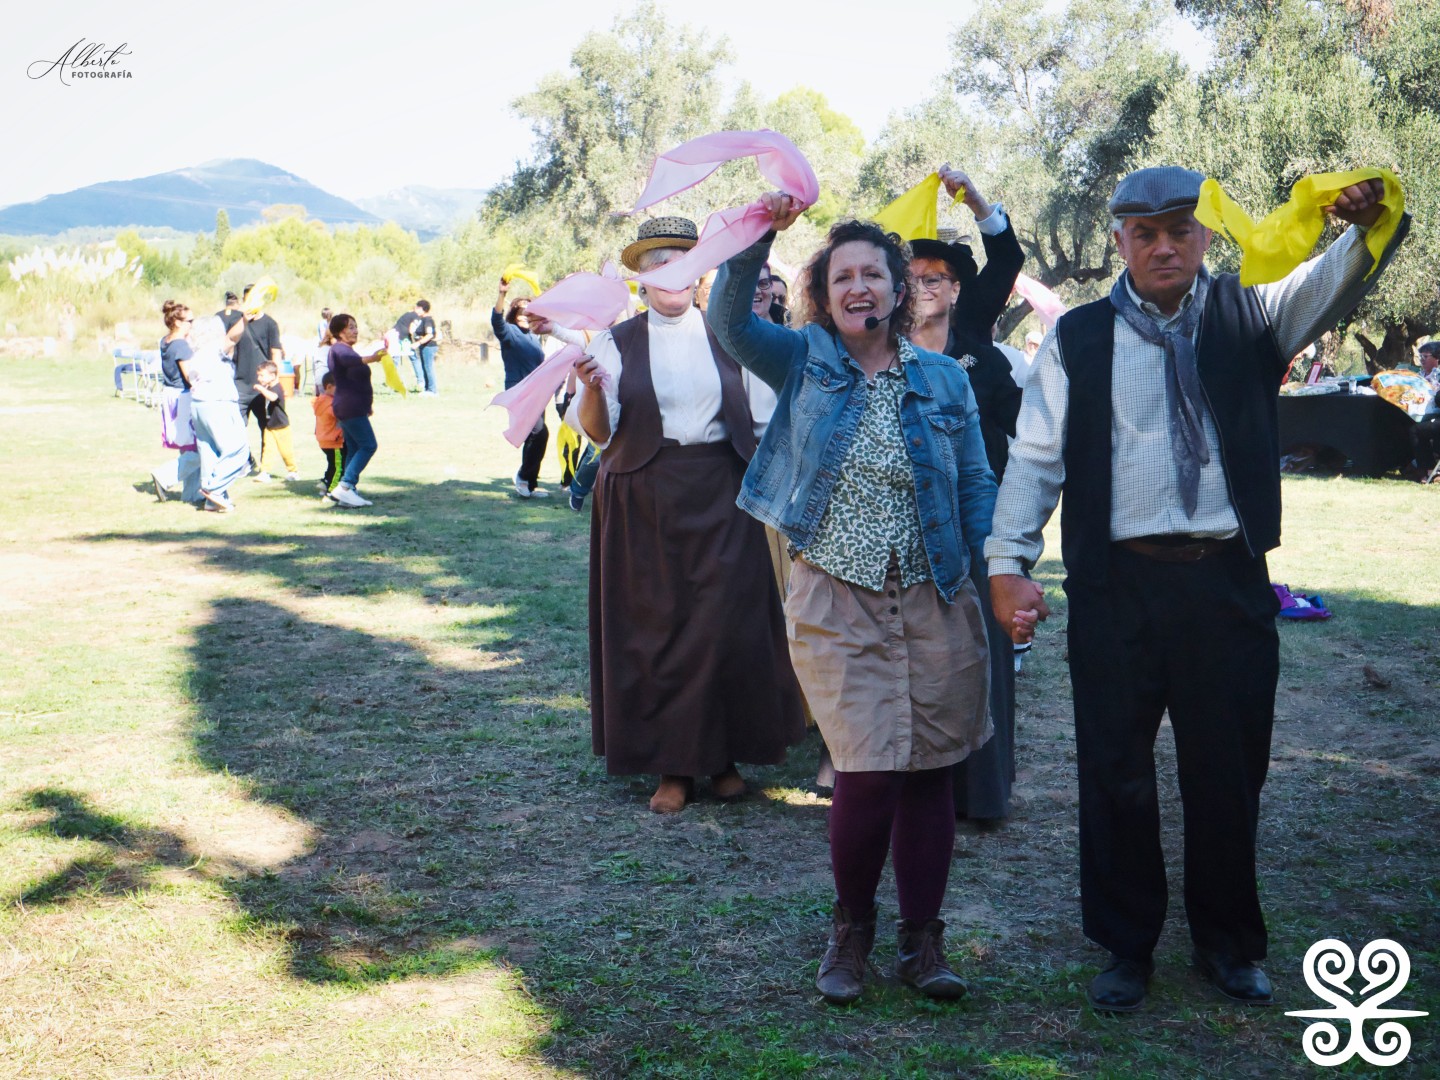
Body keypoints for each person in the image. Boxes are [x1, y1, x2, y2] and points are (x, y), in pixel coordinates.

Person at [986, 167, 1408, 1013]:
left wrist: (1366, 223)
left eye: (1180, 229)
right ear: (1119, 241)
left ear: (1206, 235)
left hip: (1225, 585)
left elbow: (1336, 275)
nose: (1164, 246)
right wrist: (1007, 562)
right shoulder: (1078, 338)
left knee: (1228, 771)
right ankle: (1126, 944)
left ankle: (1228, 942)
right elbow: (1035, 458)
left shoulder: (1253, 315)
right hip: (1116, 588)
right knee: (1115, 768)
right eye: (1144, 232)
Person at [710, 200, 998, 1005]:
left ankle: (922, 941)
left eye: (874, 273)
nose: (859, 286)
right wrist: (758, 233)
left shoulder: (943, 378)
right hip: (836, 596)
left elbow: (976, 481)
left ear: (898, 290)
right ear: (823, 292)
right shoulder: (803, 359)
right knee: (867, 771)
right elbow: (729, 323)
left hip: (935, 592)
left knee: (931, 772)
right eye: (843, 276)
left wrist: (1004, 569)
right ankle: (853, 930)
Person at [568, 215, 806, 816]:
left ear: (701, 274)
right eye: (658, 264)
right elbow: (598, 432)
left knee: (724, 624)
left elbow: (764, 422)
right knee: (658, 629)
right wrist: (591, 388)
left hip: (722, 492)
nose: (670, 273)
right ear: (641, 279)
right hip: (641, 497)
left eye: (682, 261)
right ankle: (673, 766)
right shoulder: (613, 343)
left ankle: (722, 758)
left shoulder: (733, 336)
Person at [907, 166, 1024, 826]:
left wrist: (977, 201)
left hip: (977, 526)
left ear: (957, 289)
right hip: (903, 527)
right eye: (913, 277)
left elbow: (1005, 257)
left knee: (981, 654)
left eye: (937, 278)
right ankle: (913, 791)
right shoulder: (876, 352)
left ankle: (981, 794)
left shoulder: (981, 351)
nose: (924, 287)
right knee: (913, 659)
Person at [493, 280, 552, 497]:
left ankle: (529, 483)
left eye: (529, 313)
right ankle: (524, 477)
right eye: (521, 313)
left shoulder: (534, 337)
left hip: (537, 392)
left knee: (536, 436)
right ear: (514, 315)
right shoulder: (509, 332)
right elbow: (496, 321)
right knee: (538, 431)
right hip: (519, 391)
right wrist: (501, 295)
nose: (526, 317)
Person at [186, 315, 250, 513]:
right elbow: (232, 338)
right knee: (239, 450)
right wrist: (245, 318)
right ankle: (214, 489)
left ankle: (213, 501)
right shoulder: (213, 349)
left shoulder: (195, 355)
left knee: (209, 452)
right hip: (218, 403)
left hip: (199, 405)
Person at [327, 313, 387, 509]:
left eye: (356, 326)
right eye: (350, 327)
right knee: (369, 445)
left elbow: (357, 378)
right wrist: (372, 358)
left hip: (354, 407)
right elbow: (348, 361)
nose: (355, 330)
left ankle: (348, 492)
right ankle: (345, 486)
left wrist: (367, 406)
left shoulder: (349, 351)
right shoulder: (339, 349)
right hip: (348, 407)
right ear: (339, 332)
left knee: (353, 448)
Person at [152, 300, 200, 505]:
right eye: (190, 321)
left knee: (188, 447)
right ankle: (165, 476)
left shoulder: (166, 341)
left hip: (172, 395)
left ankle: (192, 493)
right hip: (184, 397)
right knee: (201, 448)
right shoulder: (181, 345)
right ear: (178, 322)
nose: (192, 325)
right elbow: (189, 376)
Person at [233, 284, 283, 470]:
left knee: (267, 427)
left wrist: (275, 379)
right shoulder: (237, 323)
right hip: (239, 384)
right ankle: (244, 461)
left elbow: (275, 351)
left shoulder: (270, 324)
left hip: (263, 385)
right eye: (247, 299)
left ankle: (265, 467)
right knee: (236, 428)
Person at [253, 361, 301, 482]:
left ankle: (293, 471)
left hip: (281, 426)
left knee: (286, 451)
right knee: (267, 450)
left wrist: (261, 389)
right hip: (270, 426)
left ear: (272, 376)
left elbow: (273, 397)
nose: (259, 378)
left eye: (262, 375)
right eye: (258, 375)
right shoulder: (269, 388)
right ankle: (264, 472)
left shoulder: (277, 387)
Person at [313, 371, 345, 499]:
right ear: (329, 387)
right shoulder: (331, 404)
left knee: (333, 464)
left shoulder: (321, 401)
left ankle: (325, 482)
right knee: (339, 468)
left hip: (324, 439)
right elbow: (341, 415)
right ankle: (332, 491)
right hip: (334, 441)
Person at [412, 300, 439, 395]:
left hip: (429, 346)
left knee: (428, 367)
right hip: (424, 346)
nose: (415, 310)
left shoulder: (428, 320)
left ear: (422, 309)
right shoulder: (421, 319)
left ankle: (432, 390)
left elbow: (429, 334)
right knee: (424, 367)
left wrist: (418, 343)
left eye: (417, 308)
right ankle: (427, 389)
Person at [393, 305, 421, 391]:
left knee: (395, 360)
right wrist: (418, 337)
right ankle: (421, 381)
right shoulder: (415, 316)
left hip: (394, 336)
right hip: (404, 339)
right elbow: (411, 330)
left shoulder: (407, 314)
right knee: (414, 359)